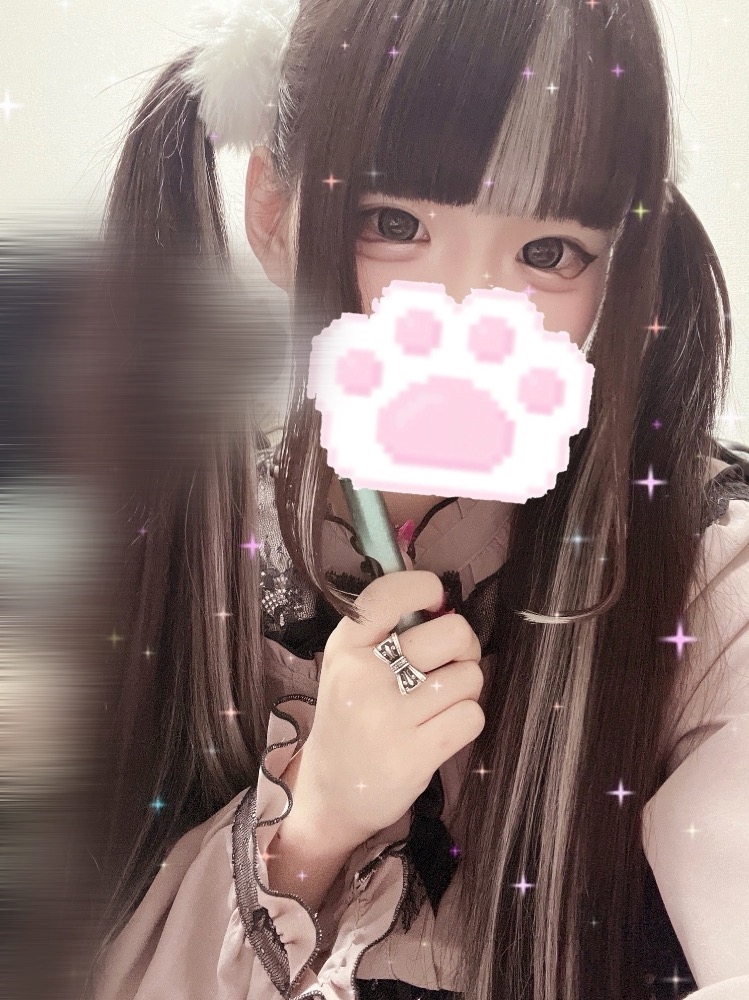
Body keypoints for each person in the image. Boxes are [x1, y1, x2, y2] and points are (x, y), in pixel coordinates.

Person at [82, 0, 749, 998]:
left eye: (549, 253)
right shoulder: (162, 554)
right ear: (272, 210)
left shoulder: (704, 570)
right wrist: (314, 822)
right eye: (394, 225)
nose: (464, 310)